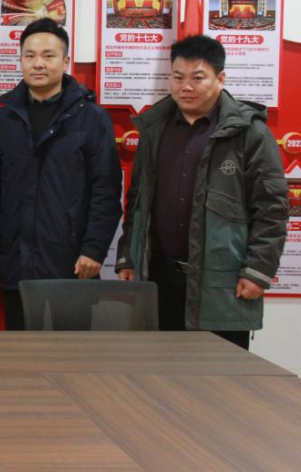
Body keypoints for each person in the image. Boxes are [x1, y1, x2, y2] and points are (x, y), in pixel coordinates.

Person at [116, 35, 288, 349]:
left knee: (219, 375)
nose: (186, 87)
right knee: (159, 370)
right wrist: (129, 257)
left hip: (221, 283)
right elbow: (138, 199)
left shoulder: (250, 133)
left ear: (220, 79)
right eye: (177, 77)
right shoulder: (155, 129)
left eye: (198, 78)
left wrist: (258, 271)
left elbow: (272, 210)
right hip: (159, 278)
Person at [0, 18, 122, 330]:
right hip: (15, 258)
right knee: (18, 350)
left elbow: (106, 191)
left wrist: (93, 250)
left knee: (70, 351)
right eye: (30, 55)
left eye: (48, 55)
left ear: (65, 61)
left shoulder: (92, 119)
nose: (38, 64)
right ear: (20, 60)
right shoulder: (6, 119)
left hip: (73, 262)